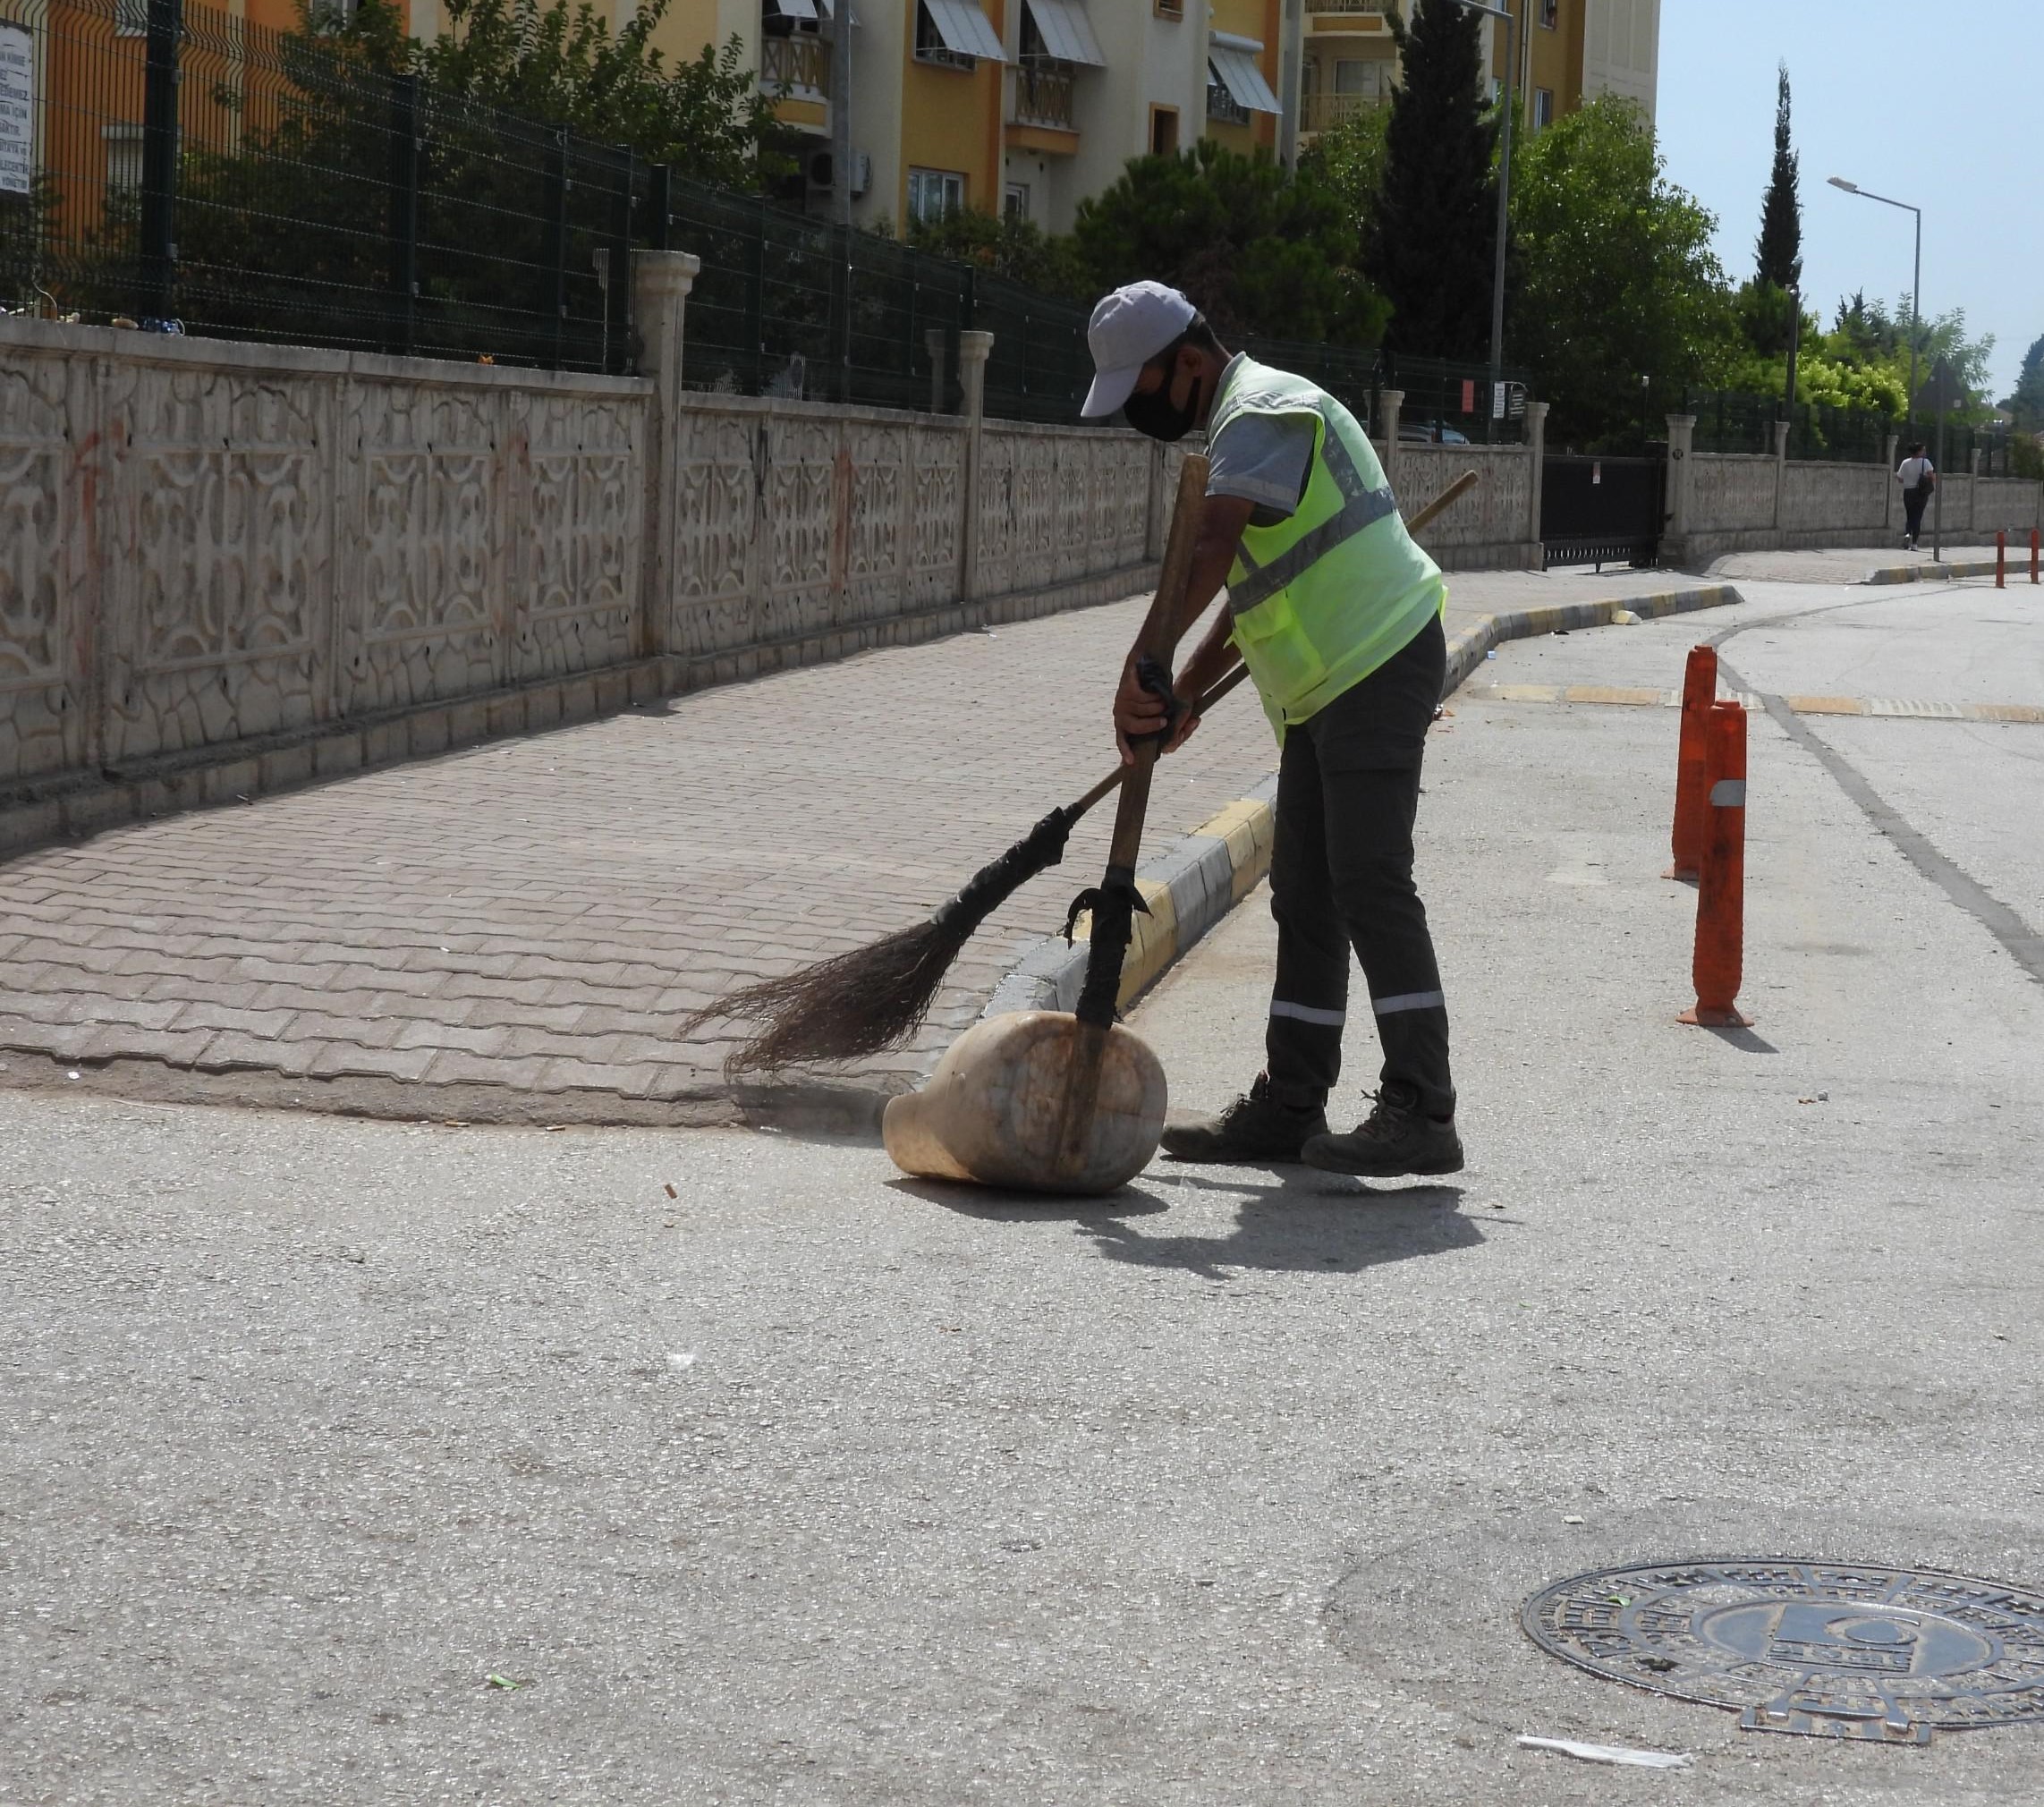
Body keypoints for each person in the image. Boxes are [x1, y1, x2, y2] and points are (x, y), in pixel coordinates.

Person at [1079, 280, 1461, 1178]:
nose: (1139, 410)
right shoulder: (1238, 428)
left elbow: (1210, 551)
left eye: (1141, 389)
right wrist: (1179, 693)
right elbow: (1246, 596)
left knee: (1367, 877)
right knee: (1305, 893)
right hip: (1321, 689)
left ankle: (1421, 1106)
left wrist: (1140, 668)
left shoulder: (1266, 409)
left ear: (1189, 362)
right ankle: (1291, 1103)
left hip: (1377, 657)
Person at [1896, 441, 1936, 552]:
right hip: (1920, 492)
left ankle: (1907, 534)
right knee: (1918, 516)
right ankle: (1914, 544)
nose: (1924, 452)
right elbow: (1932, 477)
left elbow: (1899, 478)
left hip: (1908, 491)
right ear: (1919, 451)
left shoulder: (1905, 462)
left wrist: (1909, 479)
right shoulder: (1925, 462)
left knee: (1909, 515)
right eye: (1923, 450)